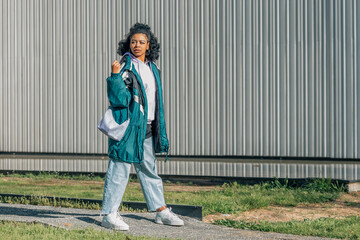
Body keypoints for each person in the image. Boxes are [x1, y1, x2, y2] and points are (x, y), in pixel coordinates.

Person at [101, 23, 184, 231]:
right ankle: (109, 214)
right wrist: (114, 77)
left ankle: (160, 210)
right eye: (133, 41)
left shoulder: (152, 68)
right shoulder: (125, 66)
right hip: (130, 127)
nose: (136, 45)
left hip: (147, 126)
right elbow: (118, 99)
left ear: (149, 45)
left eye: (141, 42)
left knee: (148, 168)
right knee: (119, 167)